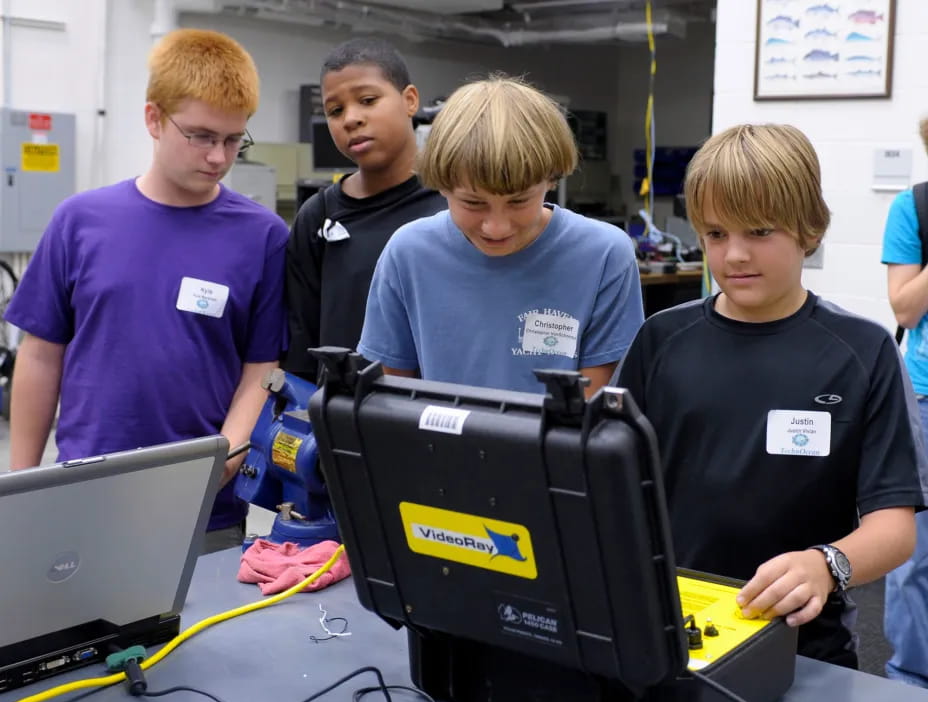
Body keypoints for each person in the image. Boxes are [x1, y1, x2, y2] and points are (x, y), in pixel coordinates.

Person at [614, 123, 924, 667]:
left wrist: (827, 565)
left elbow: (895, 527)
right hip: (671, 631)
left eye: (759, 232)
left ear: (809, 229)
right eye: (714, 234)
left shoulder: (862, 351)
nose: (734, 255)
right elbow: (607, 480)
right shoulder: (661, 340)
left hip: (803, 644)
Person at [4, 29, 289, 553]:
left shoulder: (264, 237)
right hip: (82, 495)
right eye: (202, 136)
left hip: (203, 507)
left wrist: (226, 456)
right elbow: (41, 356)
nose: (219, 157)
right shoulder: (80, 222)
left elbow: (261, 370)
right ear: (153, 118)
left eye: (233, 139)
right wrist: (22, 487)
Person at [357, 75, 643, 396]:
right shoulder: (408, 252)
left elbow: (595, 410)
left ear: (551, 180)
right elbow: (390, 399)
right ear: (442, 186)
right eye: (473, 203)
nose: (497, 227)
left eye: (519, 201)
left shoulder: (604, 255)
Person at [284, 38, 445, 381]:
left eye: (368, 100)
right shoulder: (317, 216)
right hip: (340, 418)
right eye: (335, 111)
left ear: (410, 100)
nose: (351, 119)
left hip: (430, 414)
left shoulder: (453, 204)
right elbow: (301, 344)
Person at [881, 116, 928, 686]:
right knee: (914, 558)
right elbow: (904, 309)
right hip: (924, 396)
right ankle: (910, 684)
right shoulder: (913, 207)